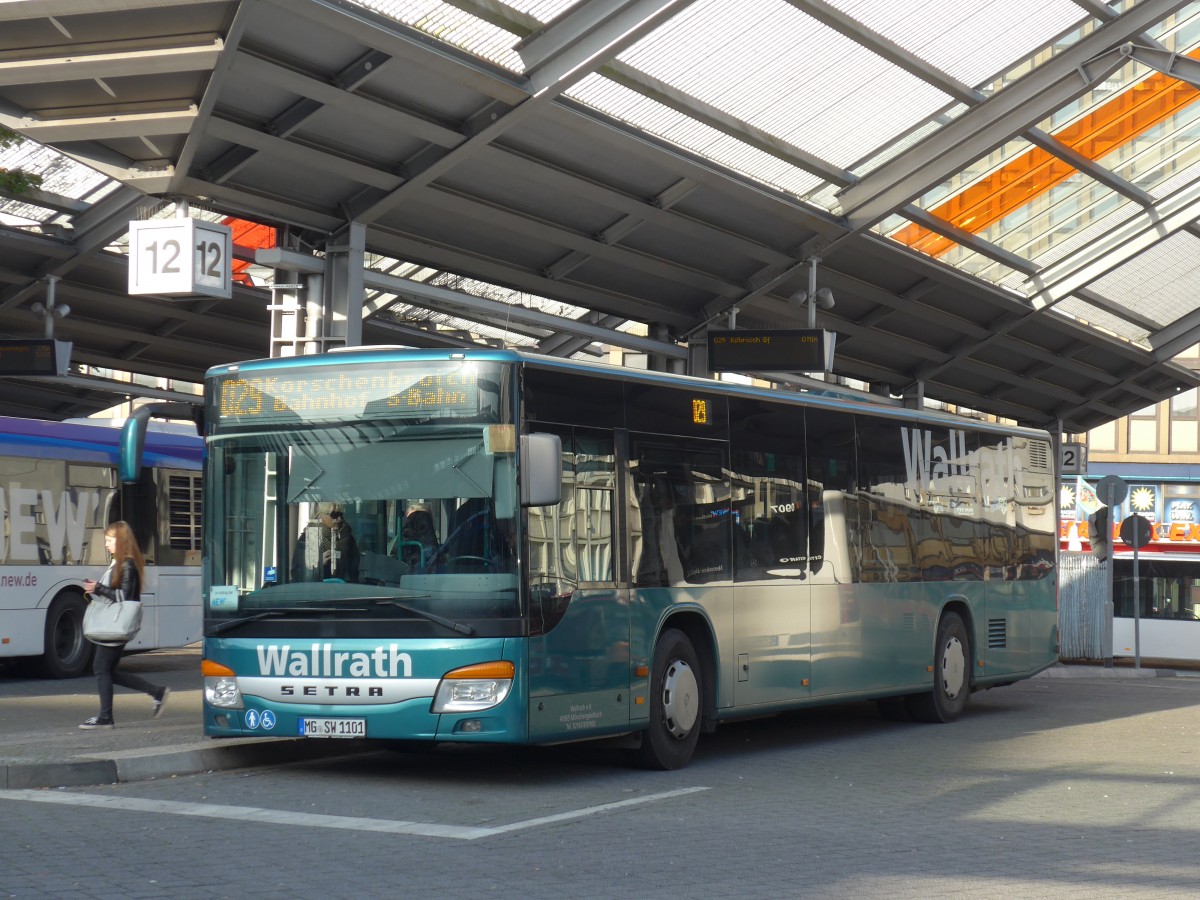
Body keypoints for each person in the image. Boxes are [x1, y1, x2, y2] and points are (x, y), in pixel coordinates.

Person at [79, 521, 169, 730]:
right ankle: (156, 692)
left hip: (115, 625)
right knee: (110, 672)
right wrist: (97, 588)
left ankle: (105, 718)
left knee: (100, 669)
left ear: (121, 541)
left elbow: (125, 597)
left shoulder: (127, 565)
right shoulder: (121, 563)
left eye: (110, 540)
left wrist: (98, 588)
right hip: (116, 625)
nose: (107, 544)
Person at [291, 502, 360, 582]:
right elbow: (297, 573)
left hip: (344, 590)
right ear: (321, 515)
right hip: (318, 591)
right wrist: (318, 565)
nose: (339, 519)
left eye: (341, 514)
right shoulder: (310, 538)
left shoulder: (348, 537)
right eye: (334, 515)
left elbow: (355, 570)